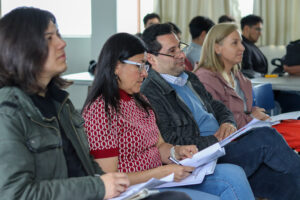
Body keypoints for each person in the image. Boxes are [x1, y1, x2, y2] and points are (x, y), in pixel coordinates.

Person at [0, 7, 191, 200]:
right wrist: (98, 186)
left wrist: (174, 153)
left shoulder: (60, 103)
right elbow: (14, 193)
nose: (62, 43)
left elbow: (89, 168)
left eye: (58, 35)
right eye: (50, 38)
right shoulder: (9, 111)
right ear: (22, 47)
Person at [82, 32, 254, 200]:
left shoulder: (139, 99)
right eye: (139, 66)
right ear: (116, 66)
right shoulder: (101, 110)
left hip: (161, 179)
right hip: (134, 190)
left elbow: (160, 145)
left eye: (145, 66)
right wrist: (160, 172)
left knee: (234, 174)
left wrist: (176, 151)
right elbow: (109, 178)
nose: (145, 73)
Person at [141, 23, 300, 200]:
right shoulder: (150, 93)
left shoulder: (189, 78)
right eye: (172, 51)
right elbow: (172, 141)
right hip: (204, 158)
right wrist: (215, 140)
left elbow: (218, 107)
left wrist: (228, 122)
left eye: (180, 46)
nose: (181, 54)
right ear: (151, 58)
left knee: (288, 183)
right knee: (266, 137)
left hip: (225, 145)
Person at [194, 23, 300, 152]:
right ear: (217, 48)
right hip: (235, 140)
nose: (242, 48)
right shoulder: (205, 79)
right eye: (235, 43)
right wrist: (252, 117)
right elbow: (220, 124)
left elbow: (241, 108)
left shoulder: (236, 74)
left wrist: (254, 112)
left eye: (241, 43)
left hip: (251, 129)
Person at [241, 15, 300, 113]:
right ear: (247, 28)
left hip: (268, 89)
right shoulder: (243, 47)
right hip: (261, 93)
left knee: (295, 95)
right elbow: (247, 72)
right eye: (258, 29)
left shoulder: (251, 46)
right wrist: (266, 76)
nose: (260, 33)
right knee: (296, 100)